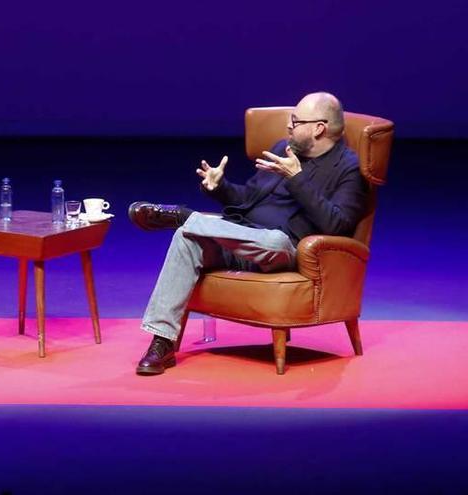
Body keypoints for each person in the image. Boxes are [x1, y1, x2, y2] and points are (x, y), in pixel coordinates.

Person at [128, 92, 367, 375]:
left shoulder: (348, 170)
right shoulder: (283, 148)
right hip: (240, 238)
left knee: (273, 239)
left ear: (319, 128)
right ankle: (162, 342)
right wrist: (220, 187)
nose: (289, 127)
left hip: (283, 251)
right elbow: (247, 200)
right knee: (185, 238)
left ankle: (185, 217)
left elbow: (337, 226)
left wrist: (297, 179)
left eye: (296, 121)